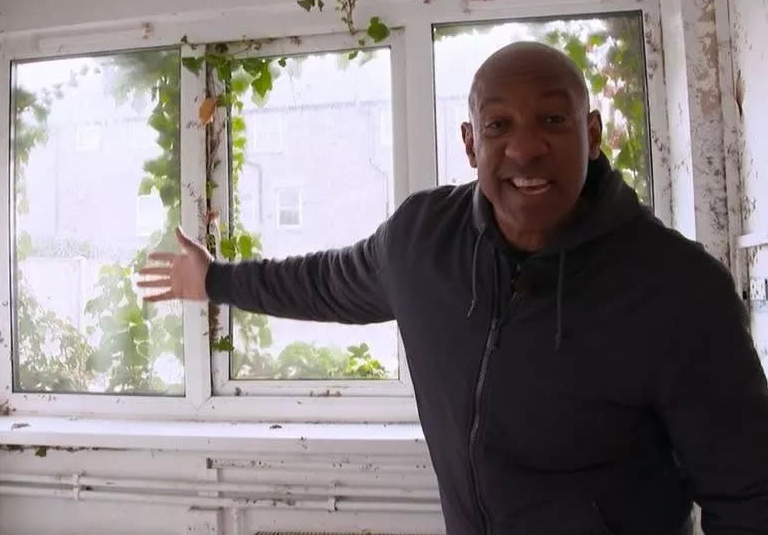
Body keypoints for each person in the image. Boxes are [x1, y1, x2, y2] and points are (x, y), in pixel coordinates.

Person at [138, 42, 768, 535]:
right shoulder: (423, 240)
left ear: (593, 133)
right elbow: (325, 282)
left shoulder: (678, 291)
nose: (525, 147)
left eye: (552, 119)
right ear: (470, 143)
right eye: (498, 126)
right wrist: (215, 280)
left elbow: (748, 492)